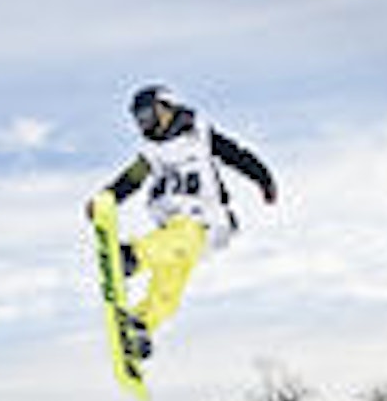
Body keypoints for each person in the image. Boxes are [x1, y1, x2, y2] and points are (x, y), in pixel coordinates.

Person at [87, 85, 277, 350]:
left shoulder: (199, 134)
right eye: (138, 119)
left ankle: (134, 264)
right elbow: (132, 178)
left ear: (165, 108)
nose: (144, 125)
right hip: (174, 221)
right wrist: (107, 198)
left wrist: (263, 178)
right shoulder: (152, 152)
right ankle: (141, 324)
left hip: (206, 217)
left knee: (177, 259)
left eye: (147, 116)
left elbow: (236, 155)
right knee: (171, 276)